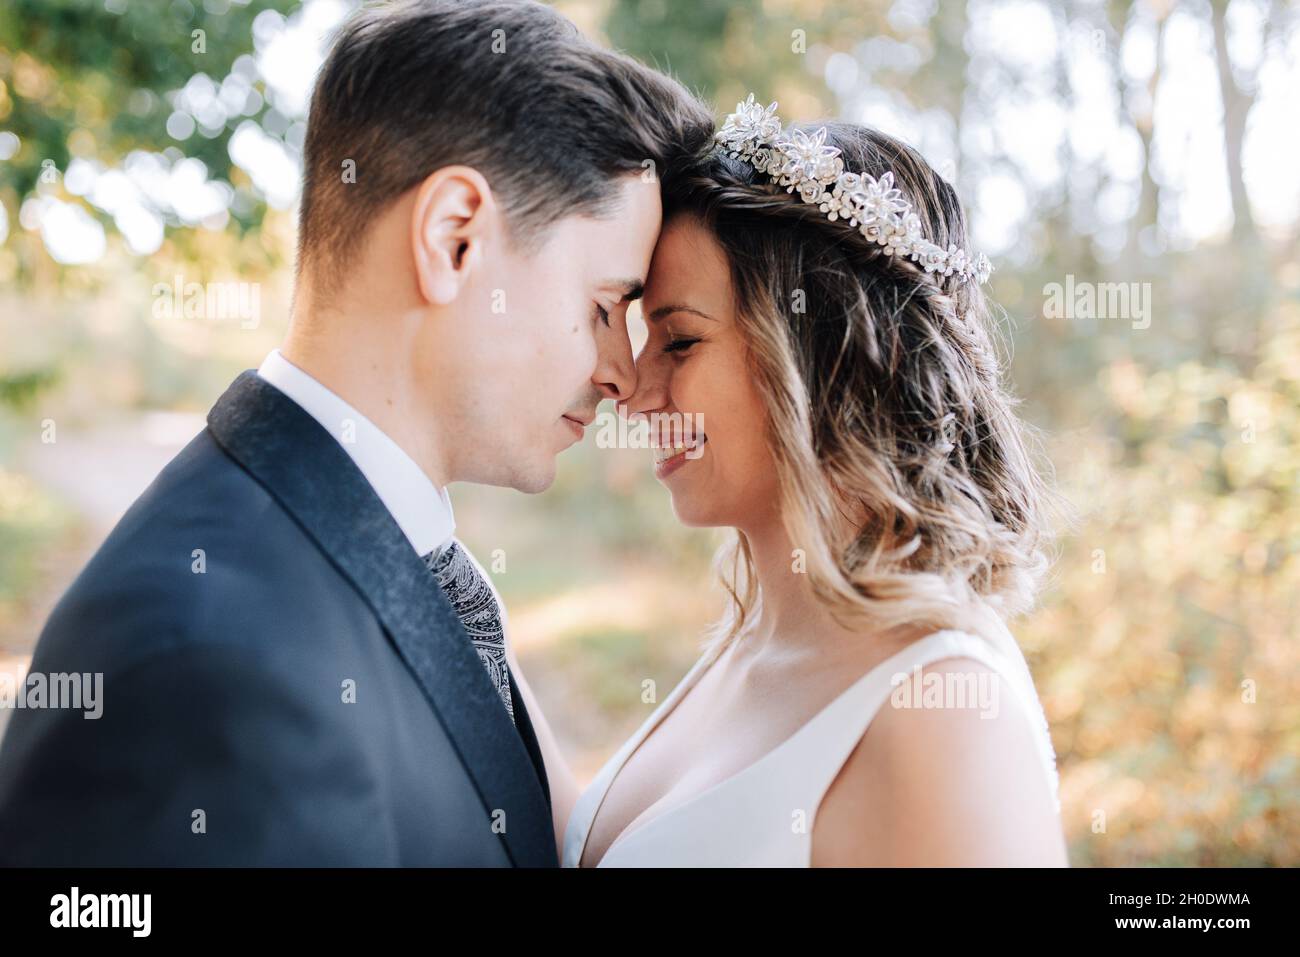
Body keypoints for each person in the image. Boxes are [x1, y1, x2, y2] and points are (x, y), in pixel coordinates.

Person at [0, 0, 711, 866]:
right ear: (454, 240)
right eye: (604, 307)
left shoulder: (394, 549)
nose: (621, 373)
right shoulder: (211, 662)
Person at [562, 98, 1068, 866]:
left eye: (681, 340)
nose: (630, 388)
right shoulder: (755, 635)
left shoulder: (943, 715)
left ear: (830, 355)